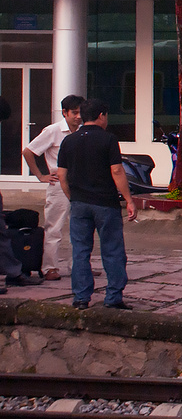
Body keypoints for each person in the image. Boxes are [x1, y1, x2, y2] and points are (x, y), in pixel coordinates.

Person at [54, 100, 137, 309]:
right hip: (105, 203)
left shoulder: (69, 141)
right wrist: (129, 200)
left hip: (79, 203)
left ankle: (81, 297)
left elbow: (62, 175)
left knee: (80, 251)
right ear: (101, 115)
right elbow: (117, 171)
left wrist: (72, 196)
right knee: (112, 250)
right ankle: (113, 297)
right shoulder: (108, 139)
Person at [22, 94, 85, 281]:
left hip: (80, 184)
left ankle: (79, 265)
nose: (78, 117)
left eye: (81, 112)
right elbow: (28, 151)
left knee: (81, 226)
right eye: (74, 113)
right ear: (64, 113)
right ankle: (50, 267)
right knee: (54, 226)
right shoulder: (53, 130)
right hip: (58, 185)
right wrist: (40, 175)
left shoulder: (83, 131)